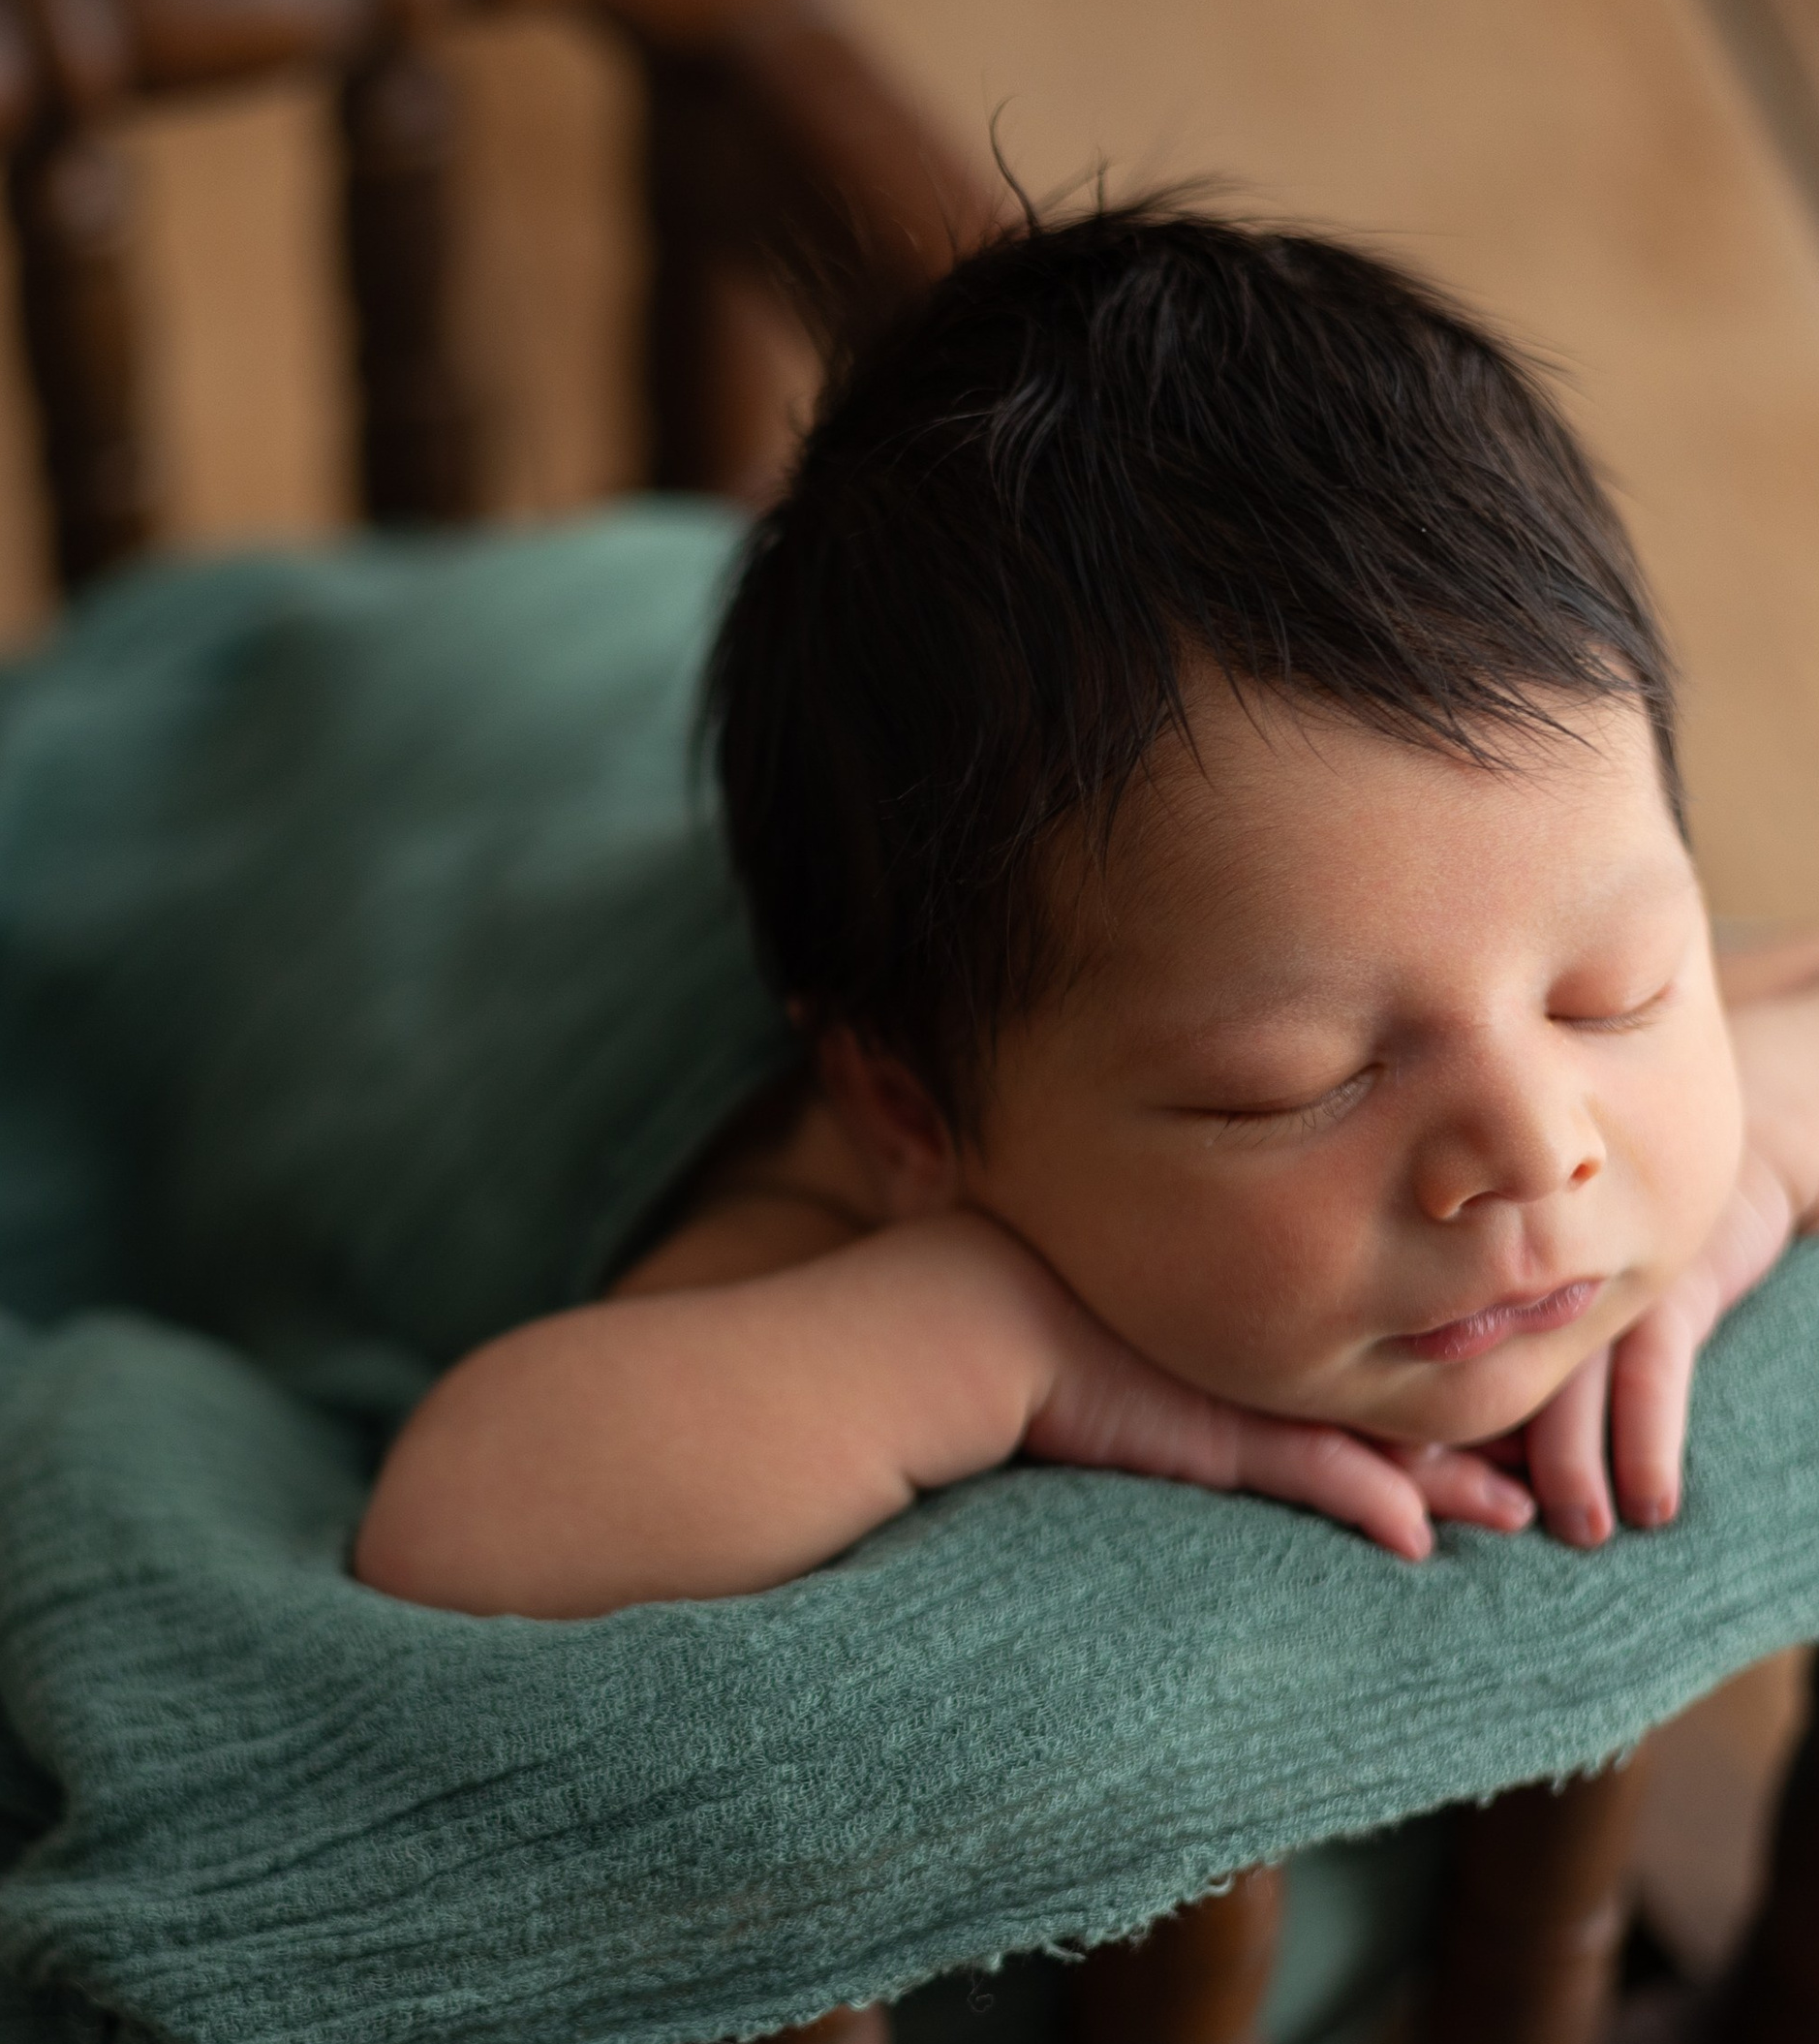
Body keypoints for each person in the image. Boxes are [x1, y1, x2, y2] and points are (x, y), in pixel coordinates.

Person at [354, 201, 1819, 1622]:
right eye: (1298, 1083)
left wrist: (1758, 1132)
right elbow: (459, 1527)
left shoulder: (1457, 899)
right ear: (910, 1118)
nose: (1541, 1148)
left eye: (1613, 992)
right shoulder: (832, 1215)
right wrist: (996, 1337)